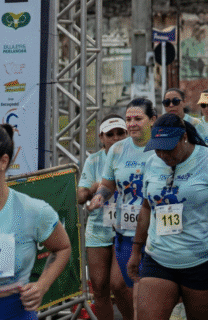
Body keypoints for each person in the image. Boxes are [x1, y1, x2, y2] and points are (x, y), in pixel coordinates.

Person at [121, 115, 208, 320]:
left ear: (184, 137)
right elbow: (147, 208)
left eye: (169, 148)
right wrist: (136, 250)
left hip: (203, 259)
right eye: (158, 148)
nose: (164, 155)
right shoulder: (152, 163)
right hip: (159, 257)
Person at [0, 124, 72, 320]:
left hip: (14, 313)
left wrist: (42, 285)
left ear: (3, 161)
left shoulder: (33, 210)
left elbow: (63, 247)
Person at [88, 98, 157, 304]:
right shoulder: (118, 150)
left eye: (138, 118)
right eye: (128, 119)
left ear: (152, 120)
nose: (132, 123)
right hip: (127, 230)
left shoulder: (160, 147)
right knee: (119, 285)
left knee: (148, 290)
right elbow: (108, 185)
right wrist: (100, 196)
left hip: (157, 231)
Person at [77, 116, 133, 320]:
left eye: (120, 133)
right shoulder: (93, 160)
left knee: (120, 285)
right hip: (99, 227)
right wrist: (98, 187)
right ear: (101, 137)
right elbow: (80, 196)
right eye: (110, 134)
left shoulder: (136, 155)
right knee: (99, 288)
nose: (116, 138)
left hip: (127, 227)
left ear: (127, 134)